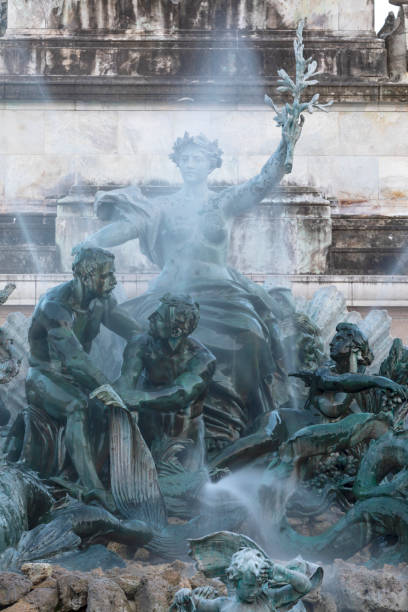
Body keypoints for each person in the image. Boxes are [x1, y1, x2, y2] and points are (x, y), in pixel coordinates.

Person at [77, 113, 304, 452]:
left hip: (222, 292)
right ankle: (147, 428)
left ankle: (235, 423)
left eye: (198, 158)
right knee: (140, 339)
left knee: (252, 336)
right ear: (177, 164)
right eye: (185, 159)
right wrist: (91, 242)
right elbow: (128, 227)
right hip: (170, 295)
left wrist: (286, 144)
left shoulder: (223, 202)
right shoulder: (163, 206)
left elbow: (261, 183)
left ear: (212, 163)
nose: (191, 164)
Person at [23, 246, 141, 508]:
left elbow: (137, 333)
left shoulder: (102, 302)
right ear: (86, 276)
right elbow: (75, 359)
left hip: (76, 379)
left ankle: (101, 475)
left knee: (102, 408)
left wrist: (131, 376)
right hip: (44, 376)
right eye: (107, 275)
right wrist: (110, 389)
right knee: (78, 404)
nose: (114, 281)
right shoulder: (54, 308)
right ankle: (93, 489)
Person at [171, 547, 316, 611]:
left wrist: (282, 572)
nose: (255, 591)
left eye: (259, 585)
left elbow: (305, 587)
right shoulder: (222, 605)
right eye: (249, 585)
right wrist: (185, 594)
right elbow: (197, 605)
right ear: (234, 580)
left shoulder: (269, 599)